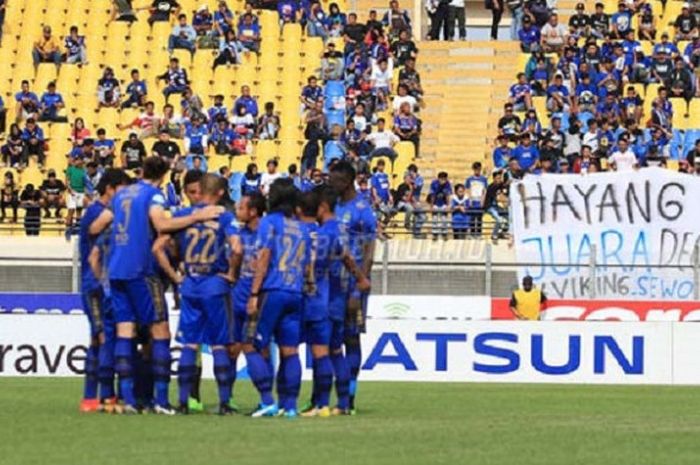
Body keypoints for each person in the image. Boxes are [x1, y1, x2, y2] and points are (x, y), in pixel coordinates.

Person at [88, 156, 222, 414]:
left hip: (117, 271)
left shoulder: (122, 194)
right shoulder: (154, 195)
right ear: (164, 174)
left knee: (125, 331)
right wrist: (198, 216)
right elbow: (162, 223)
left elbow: (96, 226)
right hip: (141, 270)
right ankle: (161, 401)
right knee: (161, 332)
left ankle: (127, 400)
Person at [153, 174, 236, 415]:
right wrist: (231, 272)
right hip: (214, 285)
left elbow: (158, 247)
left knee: (189, 344)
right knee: (219, 345)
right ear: (218, 191)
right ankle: (224, 403)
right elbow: (238, 247)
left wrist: (176, 276)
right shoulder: (222, 215)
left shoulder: (181, 216)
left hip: (190, 285)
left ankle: (183, 401)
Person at [242, 178, 311, 418]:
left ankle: (267, 401)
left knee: (250, 344)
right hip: (296, 292)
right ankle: (290, 406)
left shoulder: (270, 222)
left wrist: (253, 293)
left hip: (273, 290)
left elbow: (264, 256)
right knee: (290, 351)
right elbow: (307, 265)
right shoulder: (303, 228)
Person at [300, 186, 370, 417]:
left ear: (322, 207)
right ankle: (343, 403)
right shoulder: (341, 230)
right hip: (341, 296)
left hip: (324, 299)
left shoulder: (323, 235)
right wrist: (360, 280)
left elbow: (312, 265)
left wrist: (306, 281)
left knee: (321, 352)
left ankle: (321, 404)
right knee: (336, 351)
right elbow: (349, 259)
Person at [78, 169, 130, 412]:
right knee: (99, 337)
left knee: (110, 337)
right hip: (94, 284)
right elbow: (94, 231)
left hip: (111, 284)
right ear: (111, 188)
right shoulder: (97, 212)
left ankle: (106, 396)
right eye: (122, 189)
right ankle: (93, 396)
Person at [329, 162, 376, 414]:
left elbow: (370, 248)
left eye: (334, 179)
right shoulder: (333, 205)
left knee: (351, 337)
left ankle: (350, 398)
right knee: (331, 338)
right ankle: (327, 397)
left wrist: (360, 285)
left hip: (353, 281)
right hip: (333, 281)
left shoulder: (362, 209)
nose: (330, 183)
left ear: (346, 181)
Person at [226, 192, 265, 409]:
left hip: (256, 299)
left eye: (241, 208)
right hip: (236, 297)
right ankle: (227, 398)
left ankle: (266, 399)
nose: (237, 211)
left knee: (256, 349)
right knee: (232, 349)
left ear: (253, 211)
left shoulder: (266, 235)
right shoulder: (239, 234)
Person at [65, 157, 86, 237]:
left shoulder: (84, 170)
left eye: (78, 159)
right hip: (72, 192)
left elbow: (86, 182)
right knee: (71, 210)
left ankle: (78, 228)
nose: (77, 161)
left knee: (79, 210)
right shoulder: (70, 169)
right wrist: (70, 190)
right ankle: (68, 228)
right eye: (76, 160)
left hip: (81, 192)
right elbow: (67, 180)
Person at [484, 170, 507, 244]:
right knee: (499, 219)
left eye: (500, 178)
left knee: (508, 216)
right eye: (497, 178)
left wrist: (503, 172)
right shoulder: (491, 187)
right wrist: (505, 201)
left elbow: (504, 185)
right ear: (493, 179)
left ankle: (502, 232)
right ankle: (494, 235)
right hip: (489, 207)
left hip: (496, 206)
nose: (499, 180)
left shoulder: (500, 184)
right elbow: (498, 198)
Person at [427, 171, 452, 240]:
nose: (443, 180)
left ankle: (444, 233)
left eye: (445, 179)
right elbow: (432, 195)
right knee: (435, 218)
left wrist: (448, 205)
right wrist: (431, 206)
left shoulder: (447, 184)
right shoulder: (434, 183)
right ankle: (435, 234)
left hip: (443, 203)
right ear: (439, 178)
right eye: (442, 179)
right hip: (435, 203)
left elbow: (447, 195)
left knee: (444, 219)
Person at [465, 162, 487, 236]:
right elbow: (468, 189)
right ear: (473, 169)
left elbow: (484, 190)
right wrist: (470, 199)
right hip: (473, 200)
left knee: (479, 218)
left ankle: (478, 234)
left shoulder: (483, 179)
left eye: (479, 169)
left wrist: (483, 200)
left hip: (479, 200)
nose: (477, 171)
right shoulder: (469, 179)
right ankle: (472, 233)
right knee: (472, 218)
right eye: (476, 169)